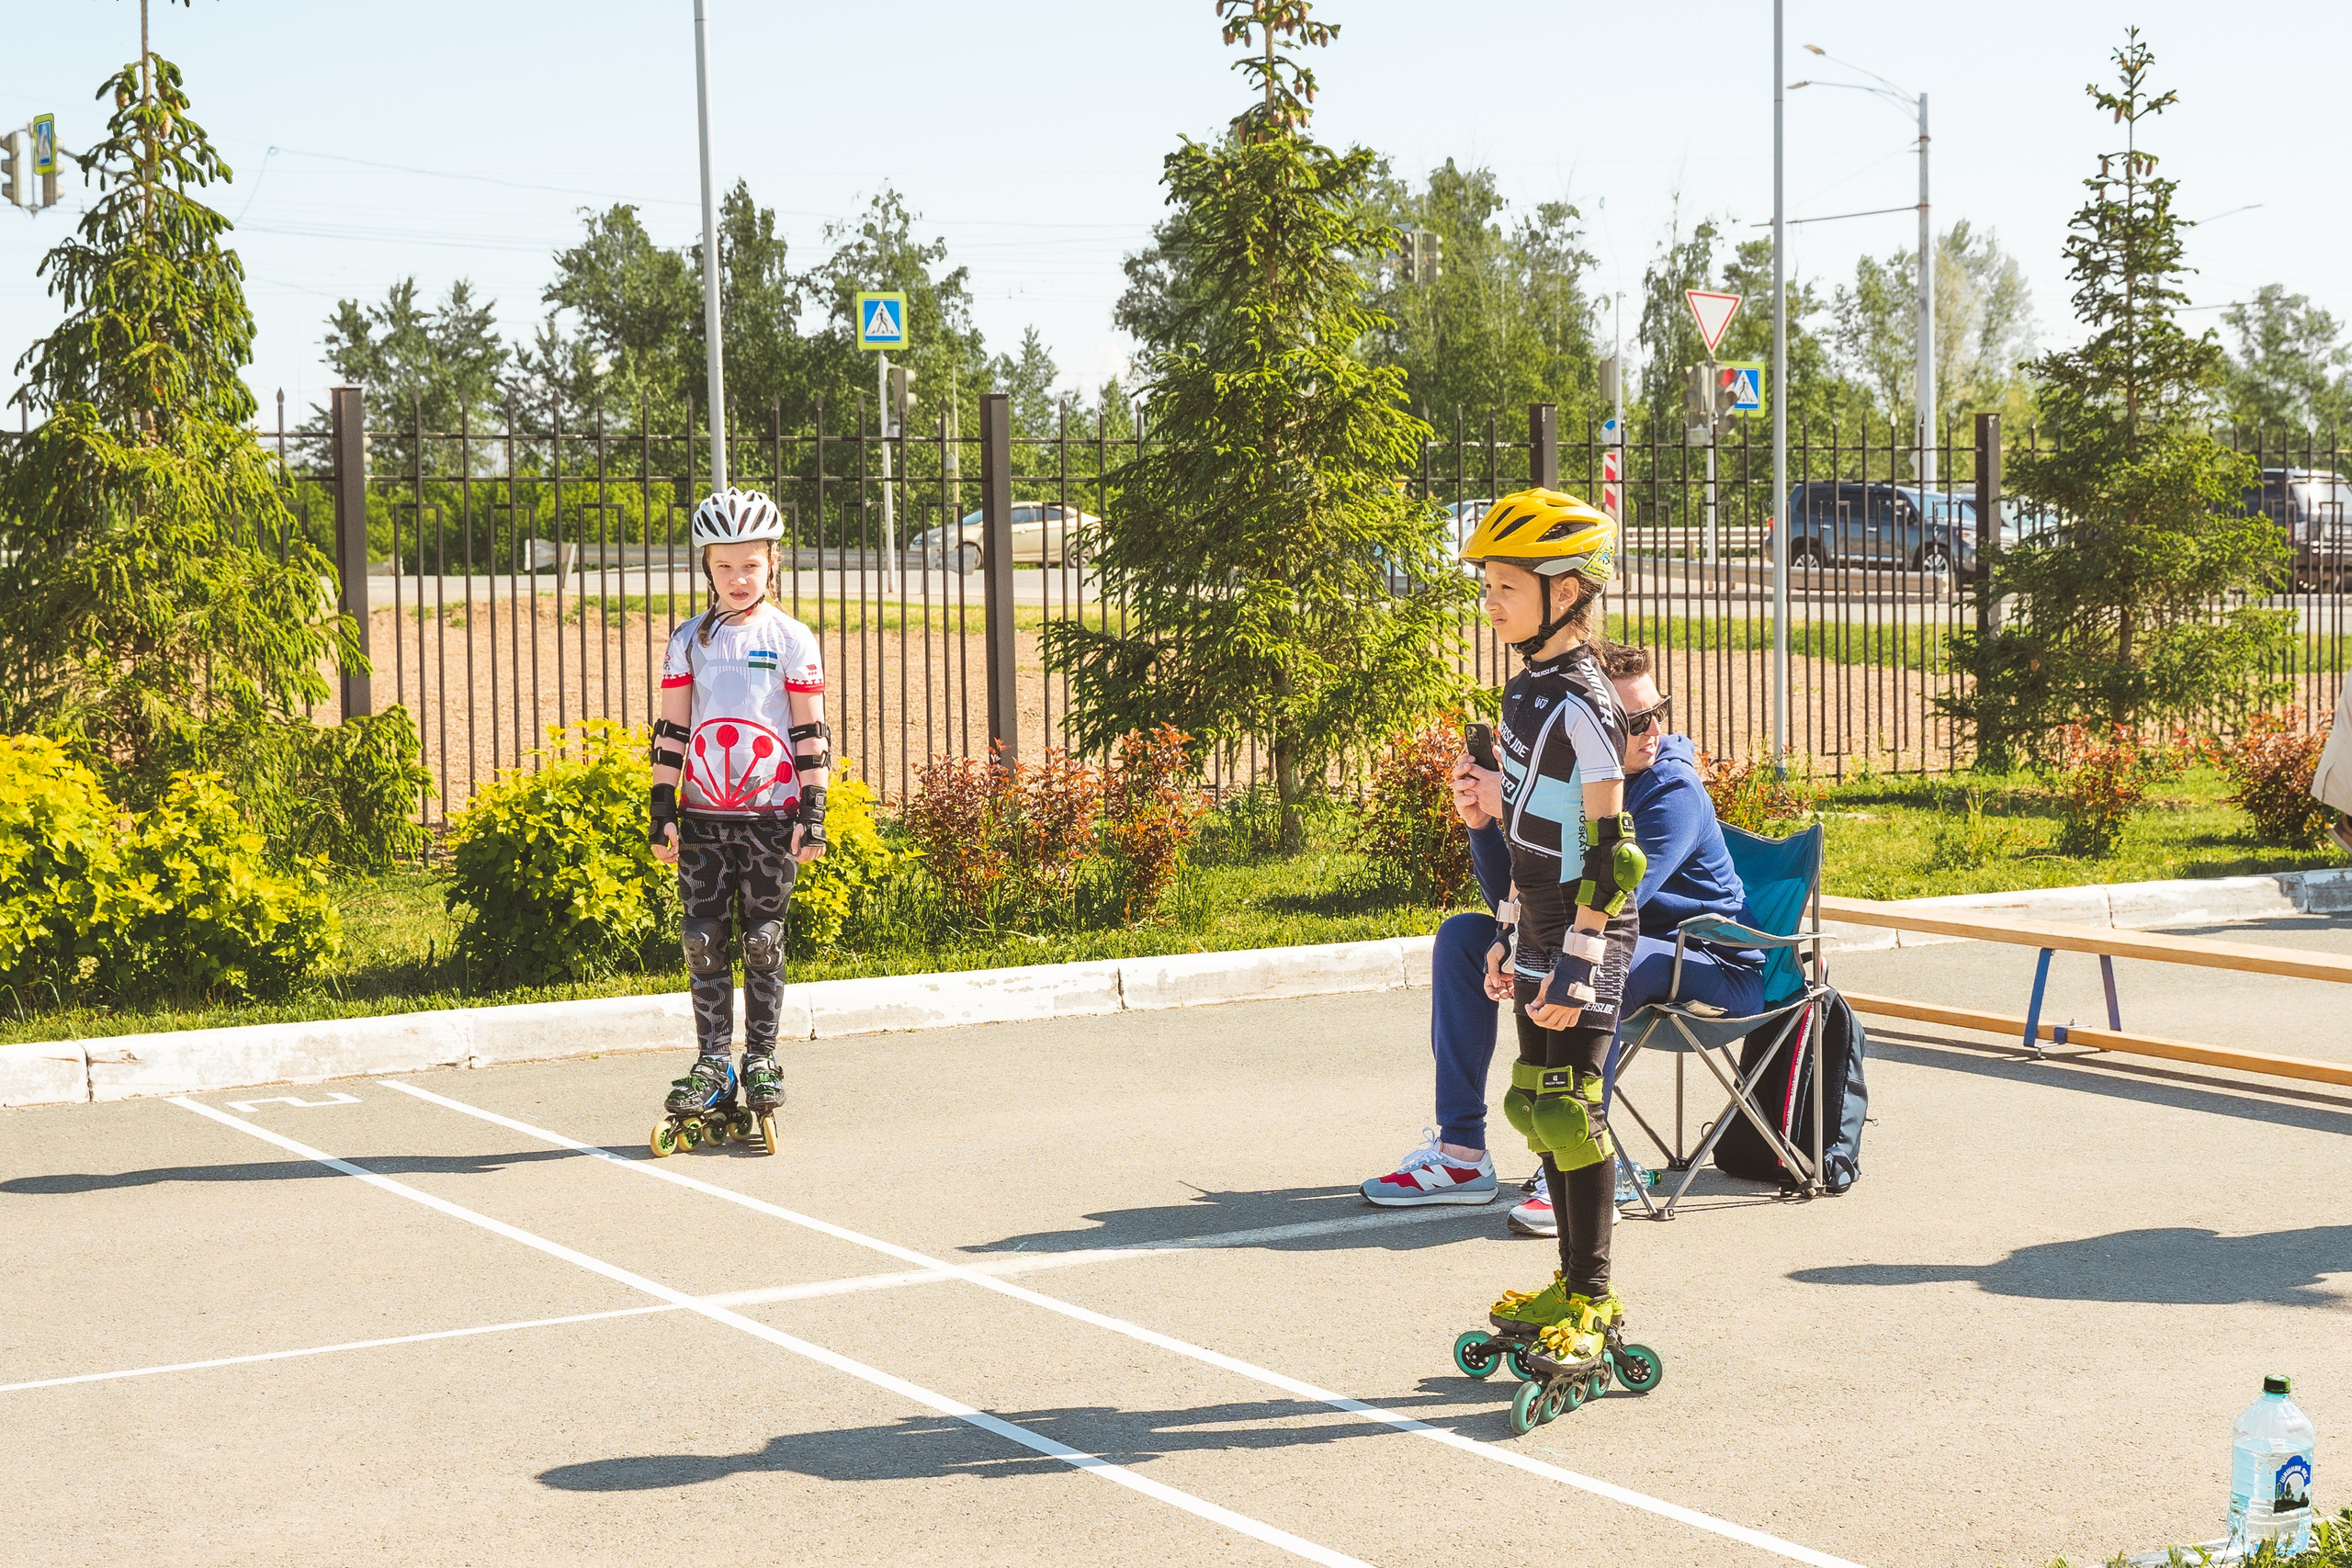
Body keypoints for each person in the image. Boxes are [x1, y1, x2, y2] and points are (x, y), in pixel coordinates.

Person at [1358, 639, 1762, 1235]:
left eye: (1659, 711)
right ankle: (1462, 1155)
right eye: (1635, 720)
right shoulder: (1569, 782)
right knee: (1462, 939)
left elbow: (1611, 899)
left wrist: (1517, 807)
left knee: (1590, 963)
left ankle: (1582, 1152)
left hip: (1705, 956)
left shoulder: (1670, 788)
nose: (1652, 731)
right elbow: (1526, 885)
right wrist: (1487, 825)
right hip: (1612, 940)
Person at [1455, 487, 1640, 1365]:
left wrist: (1578, 954)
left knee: (1575, 1112)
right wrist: (1505, 929)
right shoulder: (1524, 688)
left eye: (1504, 587)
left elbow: (1611, 850)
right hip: (1538, 922)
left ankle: (1595, 1301)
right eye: (1487, 586)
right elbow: (1530, 825)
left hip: (1588, 927)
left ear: (1563, 591)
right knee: (1535, 1103)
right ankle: (1567, 1281)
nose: (1489, 603)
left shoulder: (1583, 699)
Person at [647, 487, 830, 1155]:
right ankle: (713, 1062)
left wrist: (814, 811)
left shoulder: (791, 638)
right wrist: (661, 807)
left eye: (750, 565)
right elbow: (672, 726)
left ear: (773, 564)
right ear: (707, 568)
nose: (737, 578)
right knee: (703, 939)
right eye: (724, 566)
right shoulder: (689, 639)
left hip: (769, 815)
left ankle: (761, 1055)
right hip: (701, 814)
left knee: (763, 940)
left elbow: (810, 730)